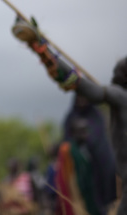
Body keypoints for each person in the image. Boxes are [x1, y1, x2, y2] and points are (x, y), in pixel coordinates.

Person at [11, 17, 124, 214]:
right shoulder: (113, 104)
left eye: (117, 74)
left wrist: (43, 50)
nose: (113, 78)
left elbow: (85, 87)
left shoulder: (120, 97)